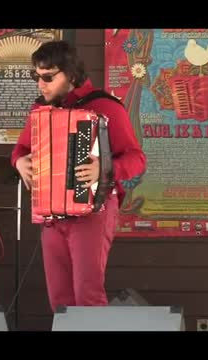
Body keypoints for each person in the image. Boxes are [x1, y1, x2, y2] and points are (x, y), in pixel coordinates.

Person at [11, 41, 147, 312]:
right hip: (51, 214)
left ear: (71, 75)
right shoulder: (41, 110)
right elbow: (21, 149)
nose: (41, 84)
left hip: (92, 212)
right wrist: (18, 162)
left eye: (48, 77)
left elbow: (137, 159)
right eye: (36, 77)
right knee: (59, 300)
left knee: (88, 296)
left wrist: (104, 168)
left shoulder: (105, 106)